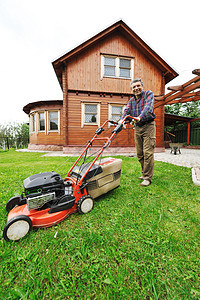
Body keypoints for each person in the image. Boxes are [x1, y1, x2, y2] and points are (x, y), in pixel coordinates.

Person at [120, 78, 156, 186]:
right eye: (134, 87)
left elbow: (148, 108)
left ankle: (147, 178)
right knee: (140, 154)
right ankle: (144, 172)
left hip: (148, 125)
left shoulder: (148, 94)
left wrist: (139, 117)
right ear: (131, 89)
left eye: (138, 86)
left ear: (142, 86)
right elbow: (126, 111)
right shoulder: (131, 101)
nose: (136, 88)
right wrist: (122, 121)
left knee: (148, 153)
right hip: (138, 127)